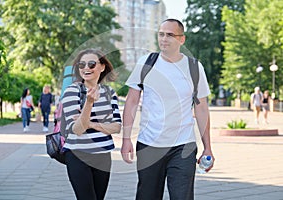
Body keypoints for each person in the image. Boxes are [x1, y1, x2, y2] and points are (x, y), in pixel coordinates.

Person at [121, 18, 214, 200]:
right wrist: (126, 139)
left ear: (182, 39)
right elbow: (131, 102)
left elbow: (201, 108)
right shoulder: (146, 63)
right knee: (147, 196)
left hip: (183, 146)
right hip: (149, 144)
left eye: (170, 35)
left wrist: (208, 147)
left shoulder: (194, 67)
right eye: (161, 34)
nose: (164, 39)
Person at [62, 49, 122, 200]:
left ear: (102, 67)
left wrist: (91, 124)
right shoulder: (72, 91)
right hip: (77, 155)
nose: (86, 68)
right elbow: (77, 130)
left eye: (91, 64)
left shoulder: (109, 92)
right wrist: (89, 103)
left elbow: (116, 127)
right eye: (82, 65)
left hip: (103, 155)